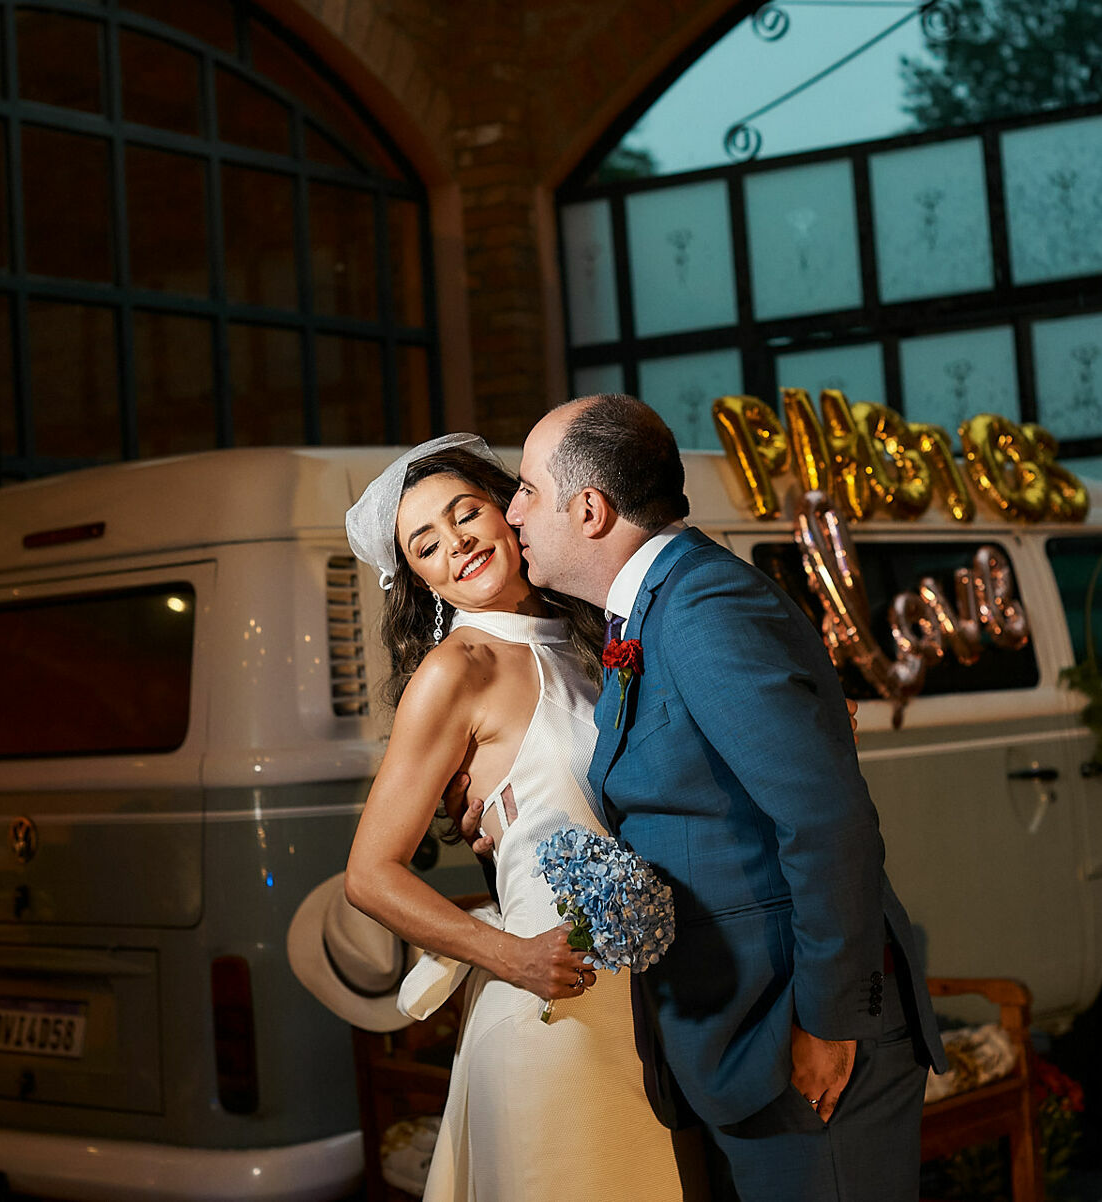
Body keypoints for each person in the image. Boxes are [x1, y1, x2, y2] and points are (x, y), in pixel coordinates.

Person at [481, 393, 948, 1202]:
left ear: (589, 509)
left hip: (799, 1040)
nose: (511, 511)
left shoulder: (702, 610)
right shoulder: (651, 610)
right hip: (739, 1047)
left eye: (525, 487)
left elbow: (826, 821)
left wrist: (829, 1021)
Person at [341, 433, 685, 1202]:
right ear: (420, 578)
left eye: (465, 512)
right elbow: (369, 873)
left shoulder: (593, 634)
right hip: (551, 1017)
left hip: (647, 1011)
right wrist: (510, 956)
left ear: (509, 508)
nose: (456, 544)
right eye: (425, 544)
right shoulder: (456, 670)